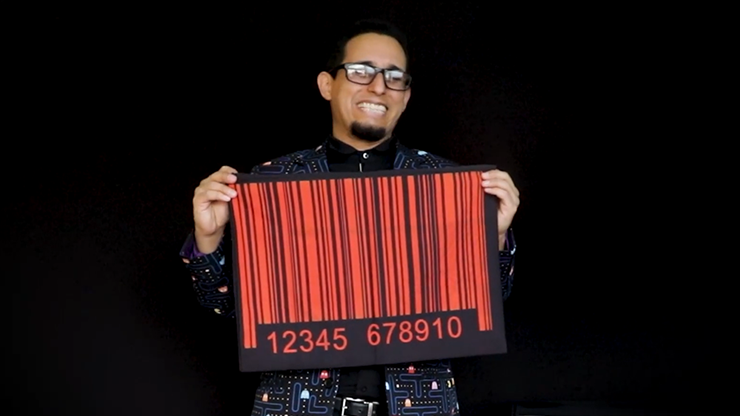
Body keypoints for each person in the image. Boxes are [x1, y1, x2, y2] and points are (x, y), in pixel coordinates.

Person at [180, 19, 520, 416]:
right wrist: (208, 238)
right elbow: (227, 308)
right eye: (361, 71)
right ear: (327, 85)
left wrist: (495, 238)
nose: (379, 87)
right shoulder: (273, 181)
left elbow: (484, 308)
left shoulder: (447, 183)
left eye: (394, 77)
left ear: (406, 97)